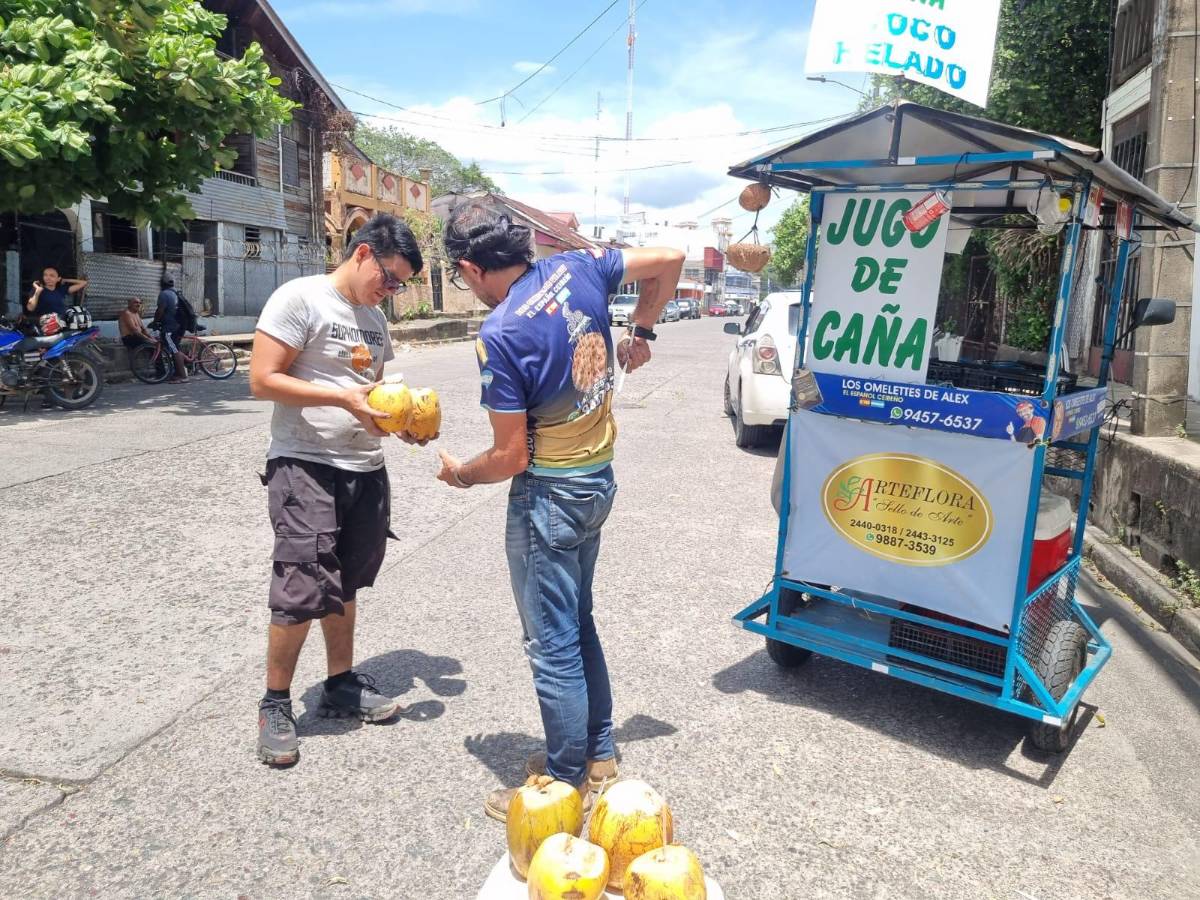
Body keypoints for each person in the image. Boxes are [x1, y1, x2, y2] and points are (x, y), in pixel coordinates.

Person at [435, 202, 683, 821]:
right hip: (597, 480)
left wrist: (461, 475)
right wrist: (643, 331)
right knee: (579, 621)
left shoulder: (501, 333)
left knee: (552, 645)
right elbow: (673, 259)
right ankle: (597, 753)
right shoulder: (578, 266)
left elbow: (509, 456)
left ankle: (565, 788)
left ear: (469, 267)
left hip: (550, 495)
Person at [248, 213, 428, 768]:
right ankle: (275, 703)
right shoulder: (299, 298)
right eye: (391, 278)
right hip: (305, 463)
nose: (392, 292)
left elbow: (371, 397)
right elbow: (261, 379)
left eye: (400, 286)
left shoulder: (375, 319)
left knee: (346, 581)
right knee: (302, 585)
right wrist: (344, 402)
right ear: (364, 253)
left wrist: (401, 424)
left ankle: (340, 683)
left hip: (364, 468)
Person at [152, 276, 191, 385]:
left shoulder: (164, 294)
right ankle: (178, 372)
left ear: (162, 284)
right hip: (180, 325)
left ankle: (183, 376)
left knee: (174, 349)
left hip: (171, 327)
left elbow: (160, 311)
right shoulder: (176, 293)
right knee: (175, 347)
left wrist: (155, 321)